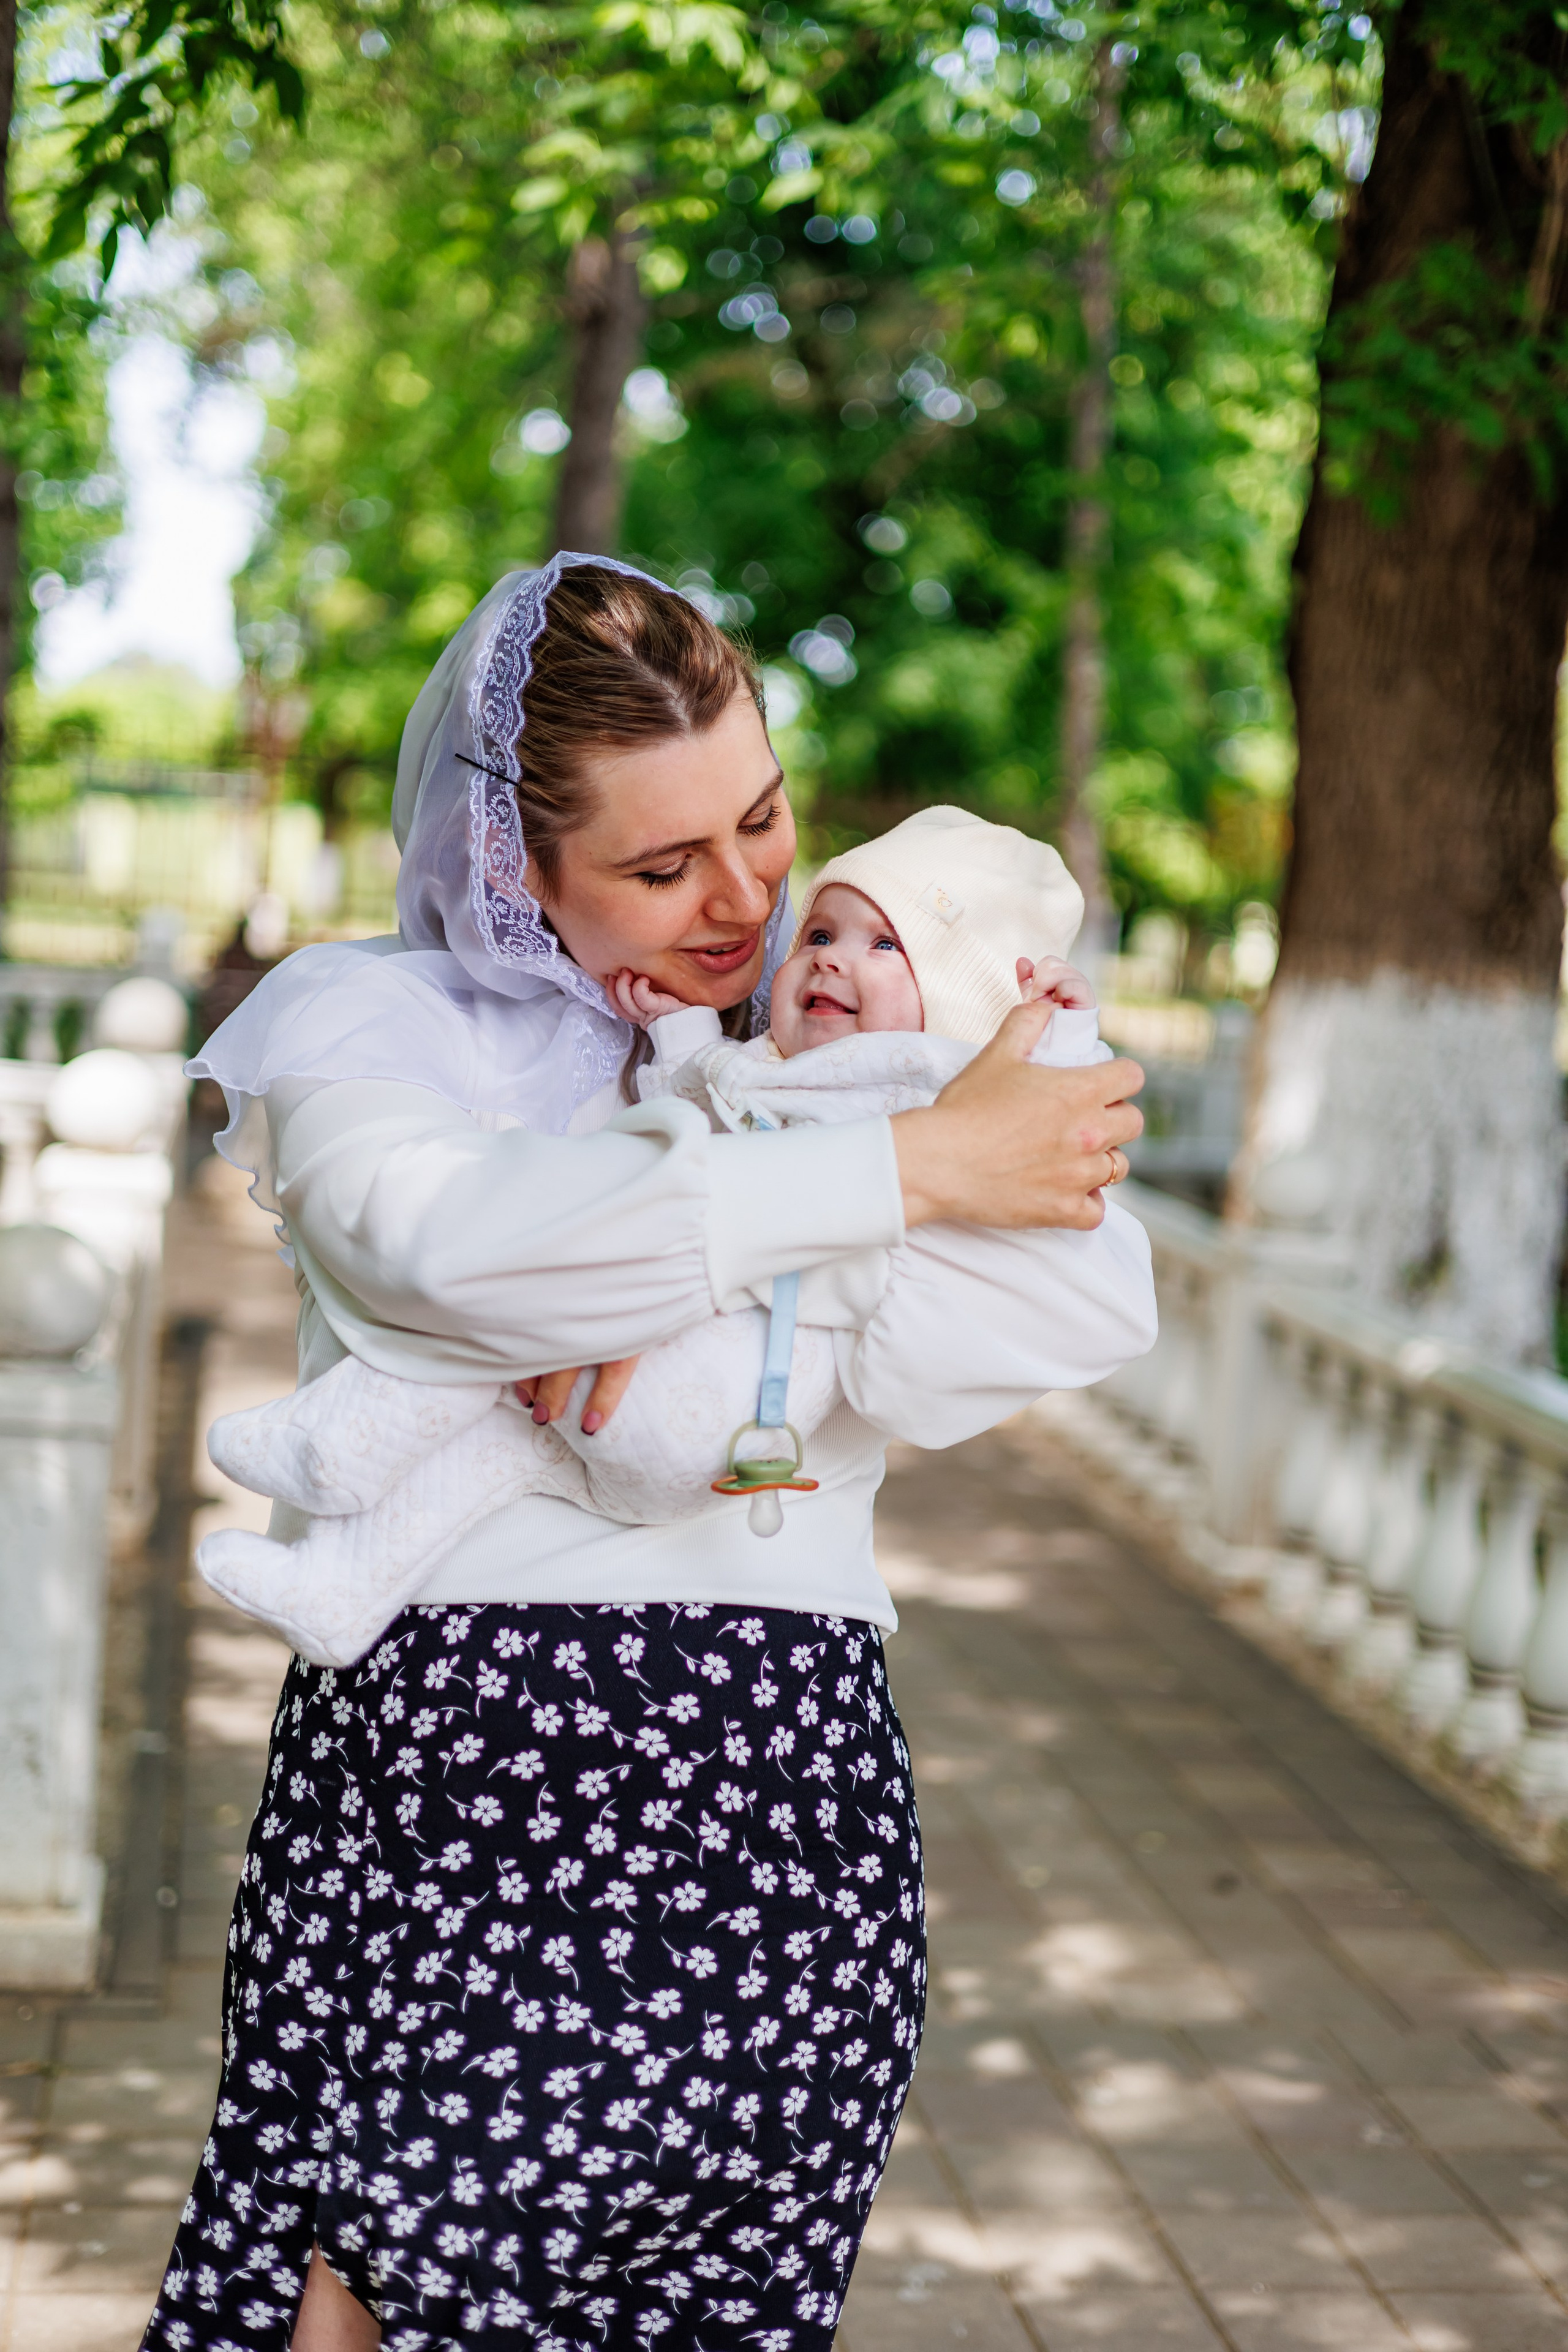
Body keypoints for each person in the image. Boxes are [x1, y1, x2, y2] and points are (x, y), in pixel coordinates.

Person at [144, 554, 1150, 2352]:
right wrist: (900, 1185)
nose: (745, 897)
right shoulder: (375, 1025)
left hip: (784, 1805)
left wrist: (711, 1266)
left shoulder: (843, 1005)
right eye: (662, 865)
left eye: (759, 821)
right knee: (359, 2294)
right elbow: (446, 1254)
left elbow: (1078, 1295)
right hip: (473, 1783)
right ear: (514, 869)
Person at [194, 804, 1137, 1672]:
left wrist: (1059, 1037)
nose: (825, 958)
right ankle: (339, 1583)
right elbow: (688, 1117)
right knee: (499, 1428)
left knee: (502, 1353)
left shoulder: (930, 1077)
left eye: (884, 944)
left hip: (733, 1473)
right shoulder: (381, 1014)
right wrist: (693, 1053)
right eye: (819, 933)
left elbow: (1063, 1189)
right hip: (626, 1490)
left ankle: (334, 1441)